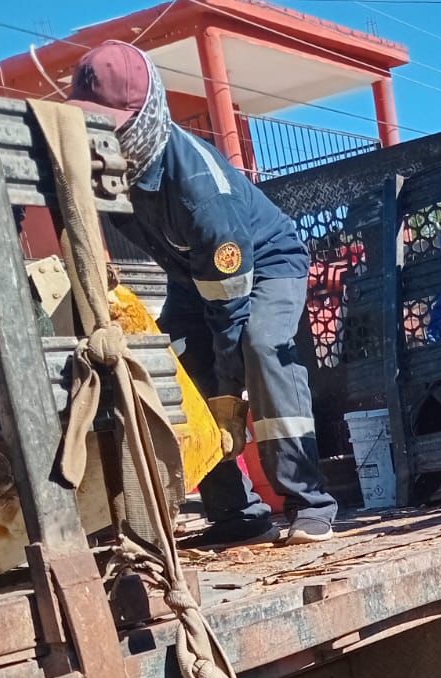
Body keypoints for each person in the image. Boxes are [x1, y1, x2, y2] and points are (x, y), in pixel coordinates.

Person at [69, 40, 337, 546]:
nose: (100, 136)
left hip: (268, 266)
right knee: (170, 371)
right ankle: (235, 514)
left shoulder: (200, 194)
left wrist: (228, 390)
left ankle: (311, 504)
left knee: (260, 350)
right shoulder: (113, 175)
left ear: (144, 116)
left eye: (111, 123)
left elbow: (230, 313)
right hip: (194, 278)